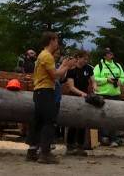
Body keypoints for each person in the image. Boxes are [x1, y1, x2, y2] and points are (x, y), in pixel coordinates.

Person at [27, 32, 76, 164]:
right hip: (45, 91)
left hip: (39, 91)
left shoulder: (42, 55)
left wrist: (64, 65)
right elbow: (55, 76)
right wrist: (66, 66)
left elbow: (53, 74)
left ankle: (32, 151)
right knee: (49, 122)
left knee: (38, 121)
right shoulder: (47, 56)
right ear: (51, 41)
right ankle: (45, 153)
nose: (57, 43)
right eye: (56, 40)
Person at [62, 50, 95, 156]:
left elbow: (93, 81)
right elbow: (71, 87)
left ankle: (80, 146)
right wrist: (82, 94)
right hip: (74, 97)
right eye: (84, 59)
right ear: (78, 58)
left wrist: (95, 88)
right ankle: (70, 146)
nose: (86, 61)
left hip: (84, 98)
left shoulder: (89, 68)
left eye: (87, 59)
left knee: (82, 122)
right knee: (73, 122)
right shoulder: (72, 70)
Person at [93, 48, 124, 147]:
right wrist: (107, 80)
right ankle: (103, 138)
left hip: (115, 95)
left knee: (115, 117)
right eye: (108, 53)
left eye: (111, 52)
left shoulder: (117, 66)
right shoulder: (99, 66)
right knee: (102, 116)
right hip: (103, 94)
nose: (110, 54)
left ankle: (114, 139)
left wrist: (118, 82)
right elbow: (95, 79)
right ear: (104, 56)